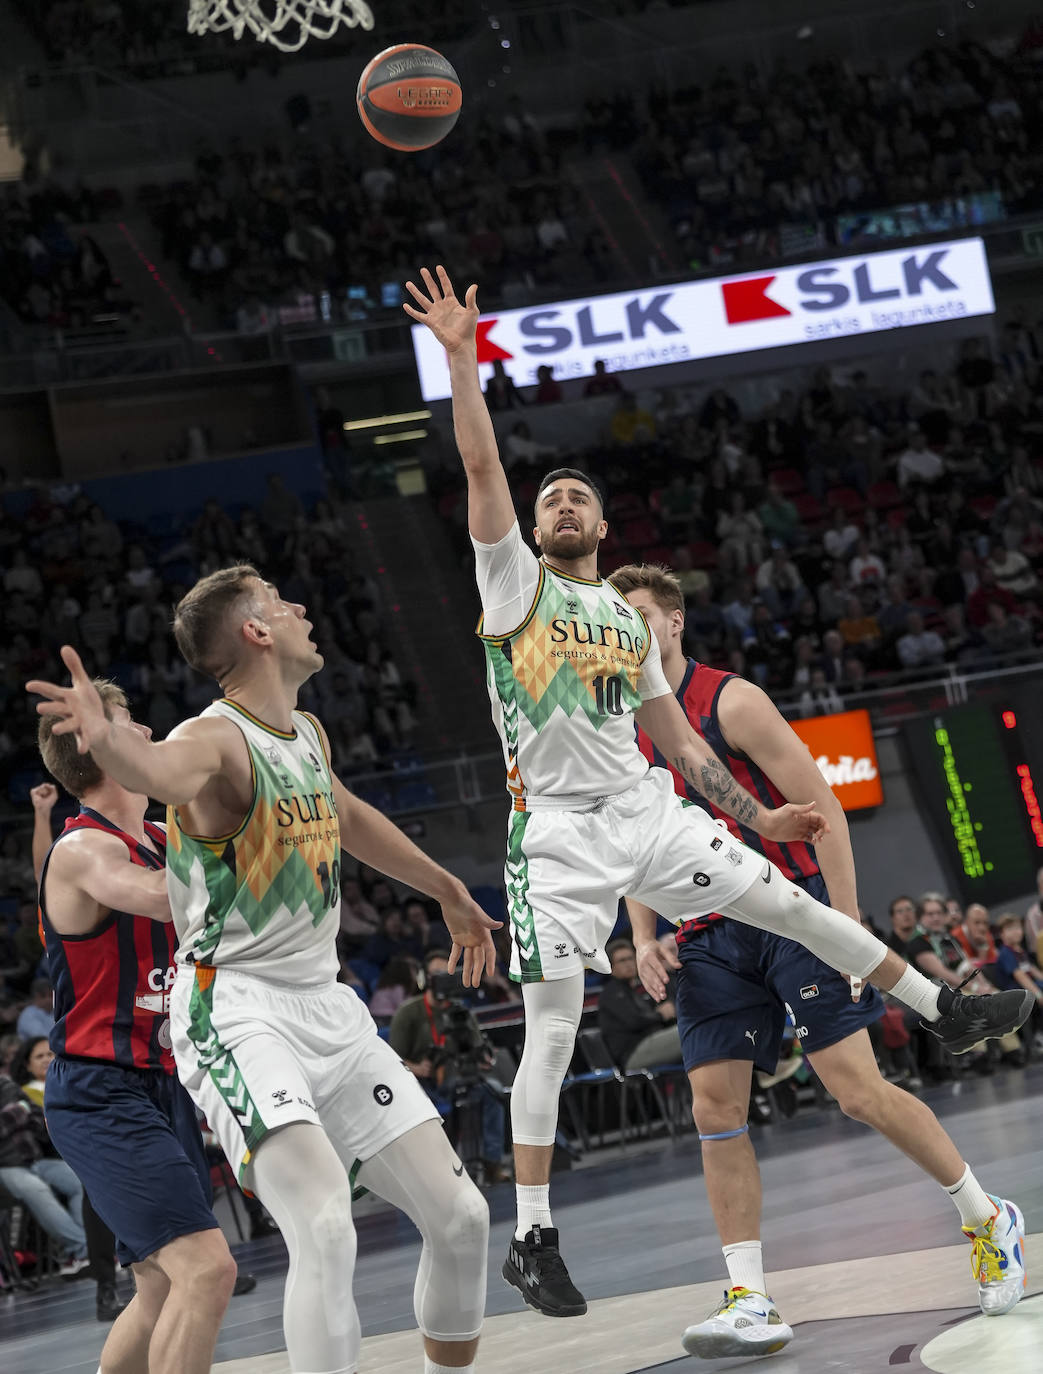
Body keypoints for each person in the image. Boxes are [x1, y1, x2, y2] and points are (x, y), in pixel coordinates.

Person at [402, 265, 1033, 1319]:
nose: (557, 502)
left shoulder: (623, 628)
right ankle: (534, 1237)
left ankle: (945, 1010)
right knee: (554, 1031)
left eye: (577, 496)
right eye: (546, 495)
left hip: (646, 817)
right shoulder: (509, 585)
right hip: (553, 834)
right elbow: (477, 461)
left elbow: (682, 749)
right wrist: (463, 362)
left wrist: (754, 817)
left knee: (789, 907)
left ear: (603, 535)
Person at [28, 566, 496, 1374]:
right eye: (283, 603)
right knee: (322, 1225)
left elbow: (348, 816)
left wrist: (448, 887)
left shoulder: (306, 734)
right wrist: (109, 746)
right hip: (236, 1008)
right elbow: (166, 774)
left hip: (327, 1005)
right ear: (255, 631)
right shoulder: (211, 737)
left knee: (461, 1217)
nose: (302, 610)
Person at [610, 561, 1028, 1352]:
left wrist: (843, 927)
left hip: (790, 911)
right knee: (713, 1109)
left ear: (672, 623)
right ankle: (748, 1297)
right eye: (615, 614)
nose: (627, 625)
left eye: (639, 611)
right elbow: (638, 839)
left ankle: (985, 1215)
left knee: (858, 1093)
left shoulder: (731, 700)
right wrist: (638, 934)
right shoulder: (618, 725)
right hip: (705, 933)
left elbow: (824, 808)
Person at [32, 678, 243, 1371]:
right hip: (100, 1089)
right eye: (132, 726)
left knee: (158, 1286)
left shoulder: (159, 833)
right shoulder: (83, 850)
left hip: (162, 1080)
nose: (151, 734)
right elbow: (159, 898)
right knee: (207, 1271)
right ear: (100, 744)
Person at [390, 949, 509, 1183]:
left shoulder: (460, 1011)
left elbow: (477, 1045)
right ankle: (445, 1169)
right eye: (437, 974)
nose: (443, 978)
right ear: (425, 978)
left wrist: (483, 1056)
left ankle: (492, 1164)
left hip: (462, 1074)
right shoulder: (409, 1012)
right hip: (425, 1083)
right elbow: (391, 1058)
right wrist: (416, 1067)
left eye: (448, 973)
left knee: (492, 1090)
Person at [597, 938, 681, 1070]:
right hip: (632, 1053)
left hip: (648, 1043)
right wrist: (661, 1014)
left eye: (631, 958)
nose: (629, 964)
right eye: (622, 961)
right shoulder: (611, 993)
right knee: (688, 1032)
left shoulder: (633, 990)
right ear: (611, 967)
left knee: (687, 1028)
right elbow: (634, 1021)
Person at [15, 976, 54, 1040]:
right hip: (35, 1048)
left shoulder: (56, 1011)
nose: (51, 999)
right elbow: (43, 1038)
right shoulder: (28, 1014)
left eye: (52, 995)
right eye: (49, 996)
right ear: (37, 996)